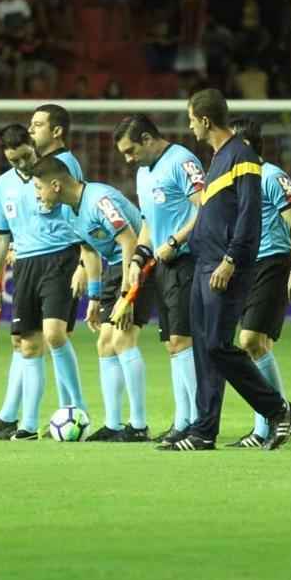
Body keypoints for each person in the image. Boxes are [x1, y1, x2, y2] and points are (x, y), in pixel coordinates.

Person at [162, 89, 291, 451]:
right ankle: (203, 431)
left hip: (225, 265)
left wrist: (231, 260)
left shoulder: (242, 156)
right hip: (204, 262)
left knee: (219, 347)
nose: (189, 125)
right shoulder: (220, 157)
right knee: (205, 350)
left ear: (205, 120)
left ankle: (278, 409)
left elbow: (248, 216)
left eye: (191, 119)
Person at [0, 124, 89, 441]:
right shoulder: (2, 185)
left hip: (60, 258)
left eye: (24, 157)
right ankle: (25, 425)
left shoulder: (54, 172)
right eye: (13, 160)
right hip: (25, 267)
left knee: (54, 334)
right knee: (26, 343)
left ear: (33, 146)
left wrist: (83, 262)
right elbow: (0, 235)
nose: (21, 165)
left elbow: (79, 213)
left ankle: (73, 410)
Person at [31, 154, 152, 442]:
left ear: (56, 185)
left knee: (121, 339)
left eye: (39, 187)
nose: (37, 194)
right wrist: (96, 299)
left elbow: (129, 241)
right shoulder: (67, 211)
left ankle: (139, 425)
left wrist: (126, 294)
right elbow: (88, 252)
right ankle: (113, 425)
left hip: (143, 264)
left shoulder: (100, 201)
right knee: (104, 344)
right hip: (115, 266)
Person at [113, 114, 205, 439]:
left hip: (189, 261)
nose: (128, 158)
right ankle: (183, 422)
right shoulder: (142, 173)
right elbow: (147, 223)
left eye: (130, 150)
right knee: (171, 344)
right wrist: (138, 258)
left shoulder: (182, 161)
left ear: (147, 140)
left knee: (182, 340)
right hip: (163, 264)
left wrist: (175, 241)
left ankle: (198, 422)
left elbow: (204, 207)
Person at [226, 118, 291, 447]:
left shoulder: (273, 177)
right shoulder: (235, 180)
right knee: (257, 347)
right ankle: (264, 428)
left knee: (248, 341)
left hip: (273, 262)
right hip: (245, 266)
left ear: (244, 145)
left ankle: (281, 412)